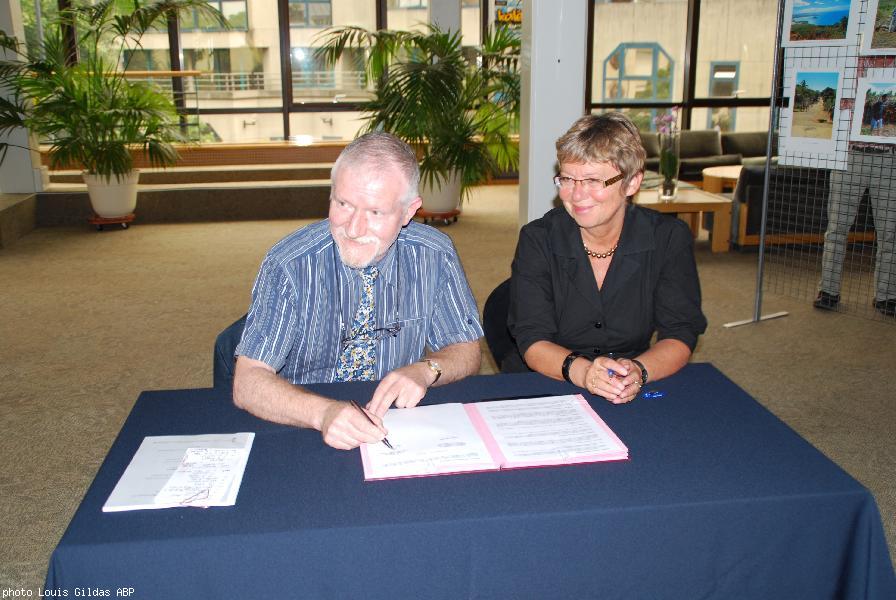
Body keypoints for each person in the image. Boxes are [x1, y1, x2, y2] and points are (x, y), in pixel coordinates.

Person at [233, 131, 483, 449]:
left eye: (375, 213)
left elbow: (466, 349)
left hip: (396, 426)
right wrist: (323, 413)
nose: (353, 228)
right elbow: (248, 381)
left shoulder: (434, 254)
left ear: (409, 211)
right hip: (304, 423)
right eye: (344, 204)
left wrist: (427, 370)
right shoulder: (290, 263)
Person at [506, 113, 707, 403]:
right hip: (550, 379)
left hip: (627, 381)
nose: (576, 195)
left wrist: (639, 369)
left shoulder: (668, 238)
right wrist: (587, 373)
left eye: (592, 180)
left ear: (632, 183)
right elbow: (532, 338)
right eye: (567, 179)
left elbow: (680, 332)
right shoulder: (538, 238)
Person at [814, 147, 896, 317]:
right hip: (849, 156)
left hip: (890, 159)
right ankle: (828, 291)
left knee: (890, 234)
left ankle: (886, 296)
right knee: (836, 229)